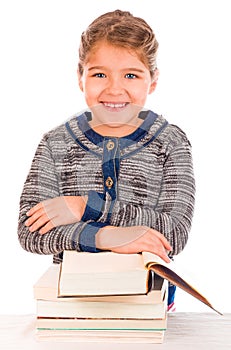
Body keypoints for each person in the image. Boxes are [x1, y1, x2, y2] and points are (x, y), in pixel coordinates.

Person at [18, 9, 195, 310]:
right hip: (71, 303)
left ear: (152, 80)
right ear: (80, 77)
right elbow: (30, 230)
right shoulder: (55, 143)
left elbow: (173, 233)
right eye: (99, 74)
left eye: (131, 75)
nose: (114, 89)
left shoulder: (171, 143)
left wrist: (85, 206)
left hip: (147, 304)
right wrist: (106, 236)